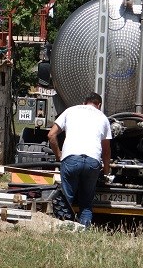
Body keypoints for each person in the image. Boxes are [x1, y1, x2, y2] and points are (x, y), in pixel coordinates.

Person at [47, 92, 112, 227]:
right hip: (92, 161)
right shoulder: (103, 118)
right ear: (98, 105)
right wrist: (106, 171)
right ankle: (83, 230)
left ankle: (64, 228)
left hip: (71, 158)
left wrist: (59, 155)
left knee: (66, 199)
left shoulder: (70, 111)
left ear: (84, 102)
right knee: (86, 203)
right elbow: (106, 150)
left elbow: (51, 135)